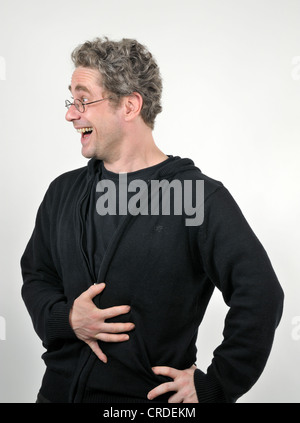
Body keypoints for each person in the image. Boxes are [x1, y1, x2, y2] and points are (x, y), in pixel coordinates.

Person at [21, 37, 284, 403]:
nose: (70, 113)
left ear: (129, 105)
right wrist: (63, 319)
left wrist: (215, 386)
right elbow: (37, 275)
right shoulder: (63, 192)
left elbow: (260, 294)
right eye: (71, 100)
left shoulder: (197, 197)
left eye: (83, 99)